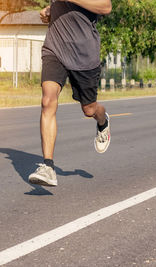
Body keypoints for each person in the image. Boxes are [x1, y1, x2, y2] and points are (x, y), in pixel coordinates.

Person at [28, 0, 112, 187]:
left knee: (89, 109)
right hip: (55, 49)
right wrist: (50, 9)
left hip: (84, 55)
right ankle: (48, 166)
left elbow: (106, 7)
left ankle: (102, 121)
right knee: (47, 100)